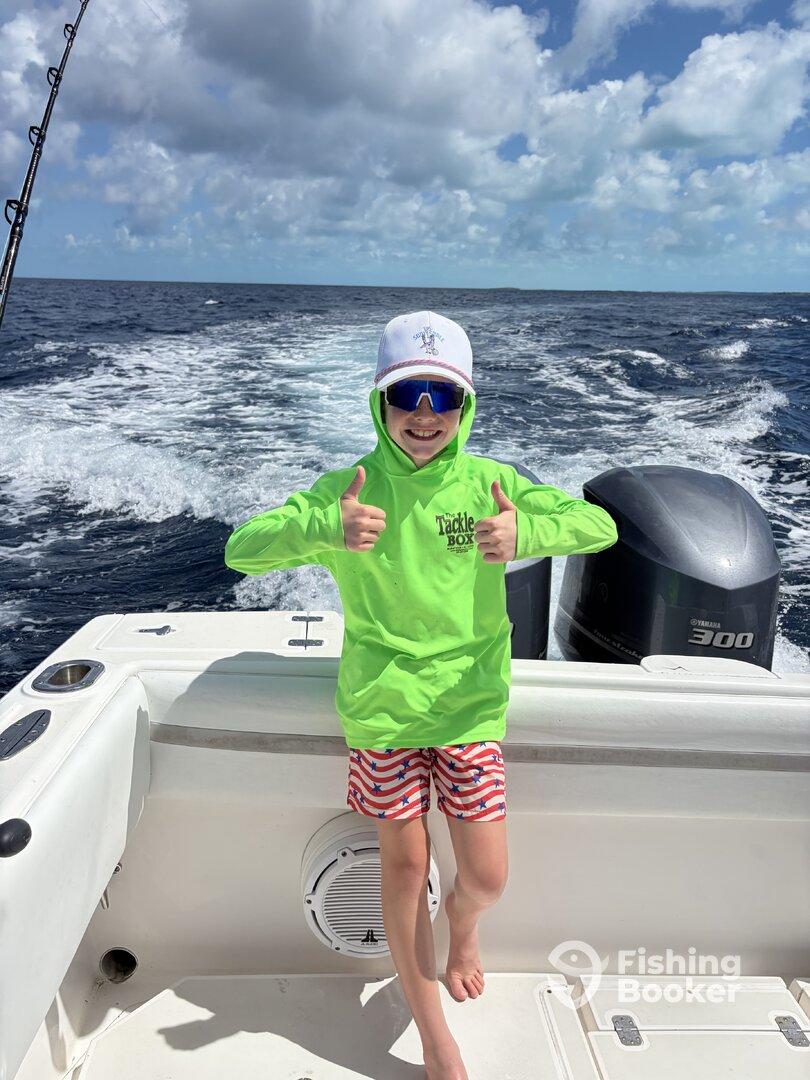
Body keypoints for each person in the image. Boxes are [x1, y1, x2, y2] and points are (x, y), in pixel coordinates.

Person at [224, 310, 619, 1079]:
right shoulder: (347, 492)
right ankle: (437, 1036)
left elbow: (597, 525)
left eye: (445, 396)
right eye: (410, 395)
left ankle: (463, 929)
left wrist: (528, 537)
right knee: (404, 869)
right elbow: (242, 549)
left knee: (486, 877)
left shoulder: (492, 484)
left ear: (466, 407)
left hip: (470, 707)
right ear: (381, 401)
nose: (426, 415)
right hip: (382, 711)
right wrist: (324, 532)